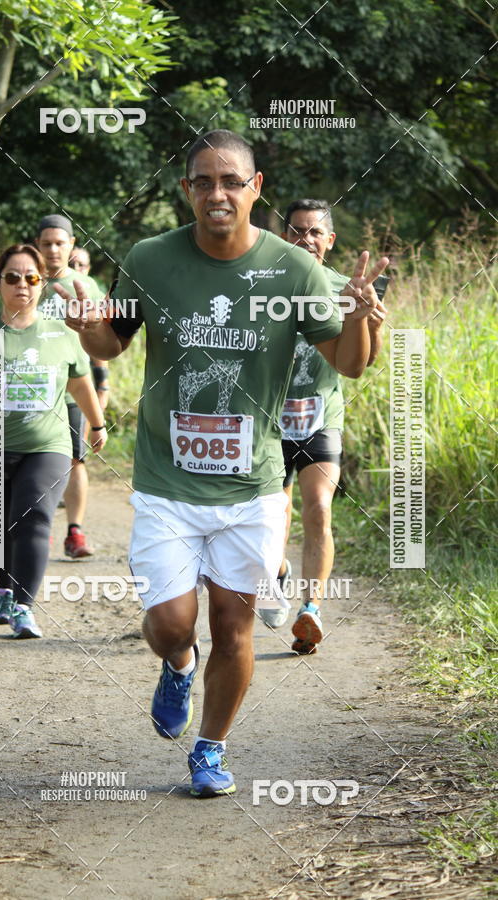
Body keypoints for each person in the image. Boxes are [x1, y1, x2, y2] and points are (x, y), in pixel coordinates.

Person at [59, 130, 387, 797]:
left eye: (231, 181)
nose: (217, 193)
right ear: (187, 189)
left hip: (253, 485)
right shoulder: (150, 259)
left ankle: (210, 750)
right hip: (165, 479)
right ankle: (178, 662)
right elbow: (112, 343)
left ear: (254, 187)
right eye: (203, 181)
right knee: (174, 623)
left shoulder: (292, 270)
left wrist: (358, 318)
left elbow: (350, 365)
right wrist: (81, 323)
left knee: (234, 626)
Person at [0, 243, 107, 638]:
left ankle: (23, 606)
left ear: (42, 283)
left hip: (47, 444)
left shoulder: (60, 332)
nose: (23, 284)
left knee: (34, 515)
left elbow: (80, 382)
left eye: (31, 278)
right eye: (13, 277)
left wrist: (98, 423)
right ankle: (4, 589)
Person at [261, 200, 387, 653]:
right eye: (296, 232)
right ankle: (276, 575)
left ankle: (311, 609)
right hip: (267, 424)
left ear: (329, 241)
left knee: (319, 508)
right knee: (273, 515)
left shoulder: (348, 287)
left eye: (315, 233)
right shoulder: (263, 288)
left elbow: (365, 361)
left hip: (319, 418)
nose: (305, 240)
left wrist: (366, 318)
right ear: (283, 238)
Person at [36, 215, 103, 559]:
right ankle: (38, 528)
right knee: (36, 459)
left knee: (76, 460)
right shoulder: (26, 281)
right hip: (32, 392)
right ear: (37, 246)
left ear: (72, 246)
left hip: (72, 389)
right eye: (46, 243)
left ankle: (74, 532)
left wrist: (100, 399)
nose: (52, 250)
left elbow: (103, 344)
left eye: (59, 243)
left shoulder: (86, 286)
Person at [69, 246, 110, 417]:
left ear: (88, 268)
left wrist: (103, 386)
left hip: (81, 384)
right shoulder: (47, 289)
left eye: (81, 265)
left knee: (80, 441)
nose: (77, 269)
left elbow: (101, 347)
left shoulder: (93, 293)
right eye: (72, 264)